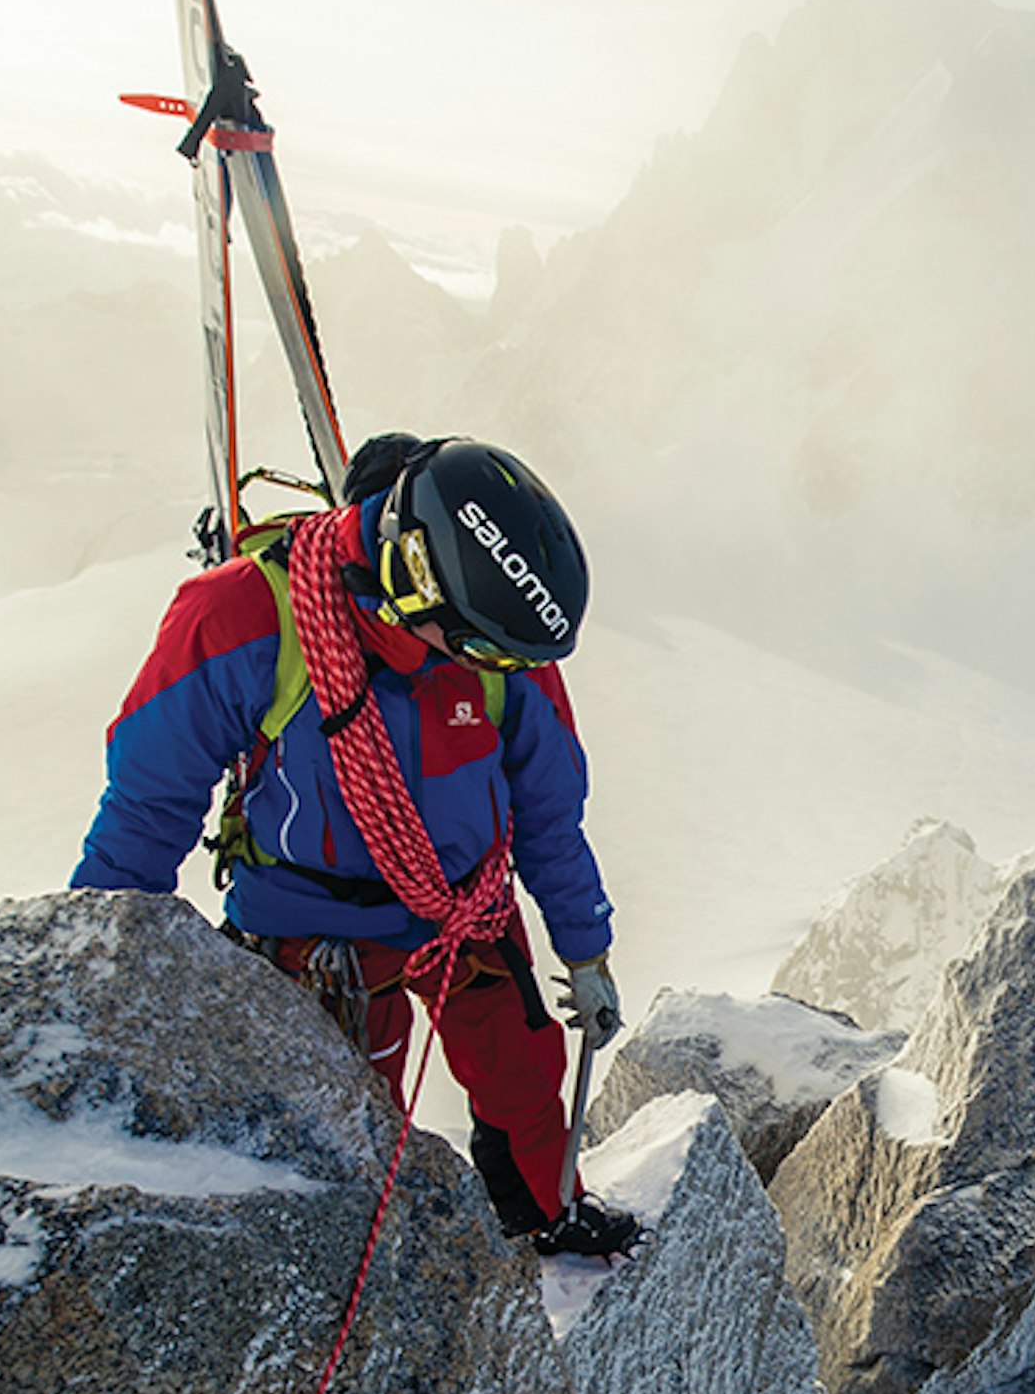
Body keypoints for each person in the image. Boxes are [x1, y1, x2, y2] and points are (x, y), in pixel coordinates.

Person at [72, 432, 639, 1259]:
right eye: (486, 651)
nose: (507, 669)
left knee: (521, 1071)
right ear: (415, 586)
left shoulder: (496, 641)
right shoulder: (242, 616)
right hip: (311, 925)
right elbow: (146, 811)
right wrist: (94, 988)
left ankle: (543, 1214)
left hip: (461, 908)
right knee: (346, 1119)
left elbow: (550, 814)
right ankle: (352, 1268)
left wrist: (587, 949)